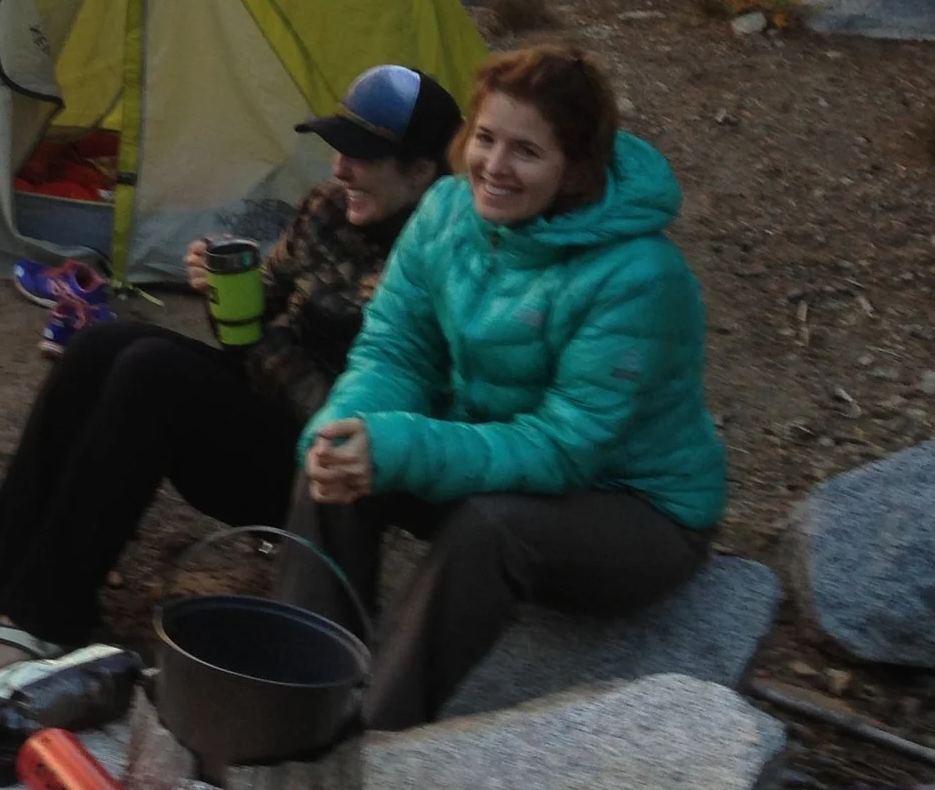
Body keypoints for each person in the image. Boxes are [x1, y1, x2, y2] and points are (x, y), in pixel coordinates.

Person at [0, 65, 465, 675]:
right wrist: (226, 290)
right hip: (260, 416)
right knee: (101, 344)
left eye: (362, 156)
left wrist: (256, 339)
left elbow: (337, 406)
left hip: (326, 471)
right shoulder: (329, 209)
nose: (339, 169)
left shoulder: (438, 259)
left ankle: (49, 614)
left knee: (152, 373)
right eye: (339, 149)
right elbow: (259, 313)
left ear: (422, 171)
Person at [292, 45, 727, 729]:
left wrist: (405, 445)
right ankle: (299, 695)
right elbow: (396, 348)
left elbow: (565, 449)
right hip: (505, 459)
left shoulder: (639, 275)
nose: (494, 166)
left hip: (633, 508)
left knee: (490, 530)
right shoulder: (444, 210)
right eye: (486, 138)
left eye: (526, 151)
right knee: (336, 459)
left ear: (575, 166)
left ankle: (371, 744)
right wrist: (350, 425)